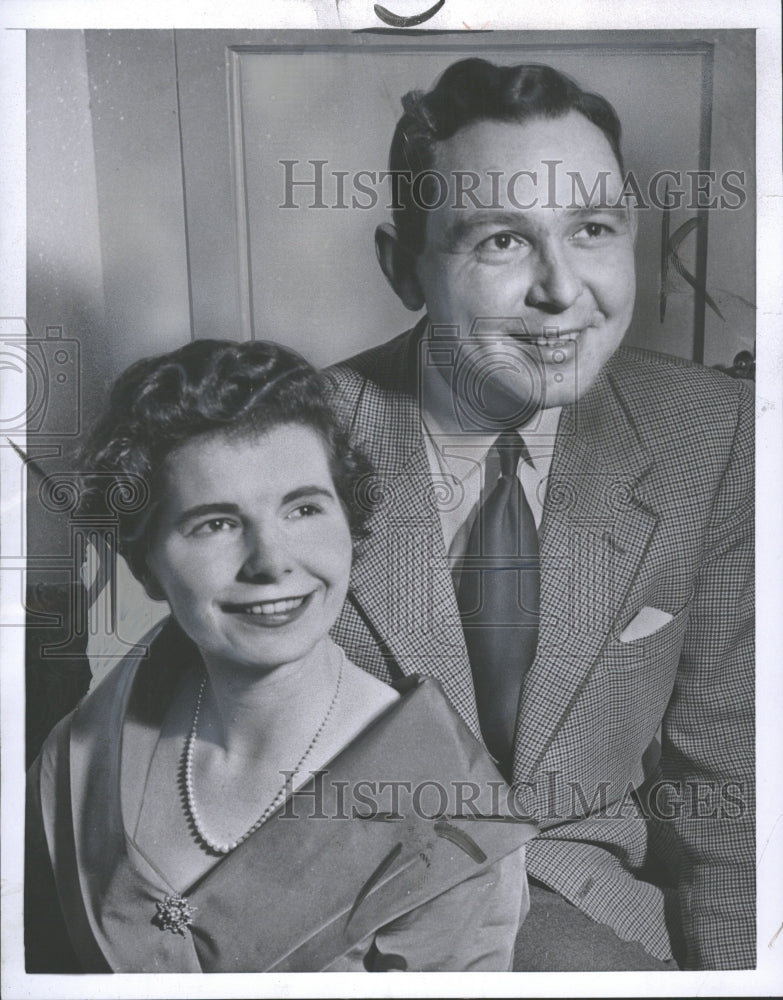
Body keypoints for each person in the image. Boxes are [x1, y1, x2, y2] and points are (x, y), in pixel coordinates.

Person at [324, 59, 755, 970]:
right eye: (501, 243)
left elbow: (727, 782)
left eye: (591, 229)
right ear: (403, 268)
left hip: (598, 915)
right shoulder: (294, 444)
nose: (562, 291)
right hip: (350, 924)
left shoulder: (711, 436)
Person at [25, 339, 534, 974]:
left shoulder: (455, 820)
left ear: (349, 523)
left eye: (304, 508)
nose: (271, 561)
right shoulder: (79, 753)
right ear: (146, 564)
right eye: (215, 523)